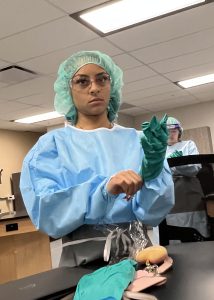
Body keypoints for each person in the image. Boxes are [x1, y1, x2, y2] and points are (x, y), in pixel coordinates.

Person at [20, 51, 174, 267]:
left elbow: (153, 213)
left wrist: (154, 171)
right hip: (82, 263)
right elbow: (47, 214)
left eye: (102, 79)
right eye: (82, 82)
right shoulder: (51, 147)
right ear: (68, 91)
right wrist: (103, 191)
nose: (94, 88)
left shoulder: (139, 141)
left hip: (141, 256)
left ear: (112, 85)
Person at [158, 116, 209, 242]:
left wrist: (171, 167)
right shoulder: (158, 151)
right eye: (167, 131)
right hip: (169, 196)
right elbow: (156, 172)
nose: (170, 134)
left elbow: (194, 168)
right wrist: (178, 164)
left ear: (179, 132)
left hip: (190, 195)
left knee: (196, 232)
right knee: (172, 235)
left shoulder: (188, 145)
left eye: (174, 131)